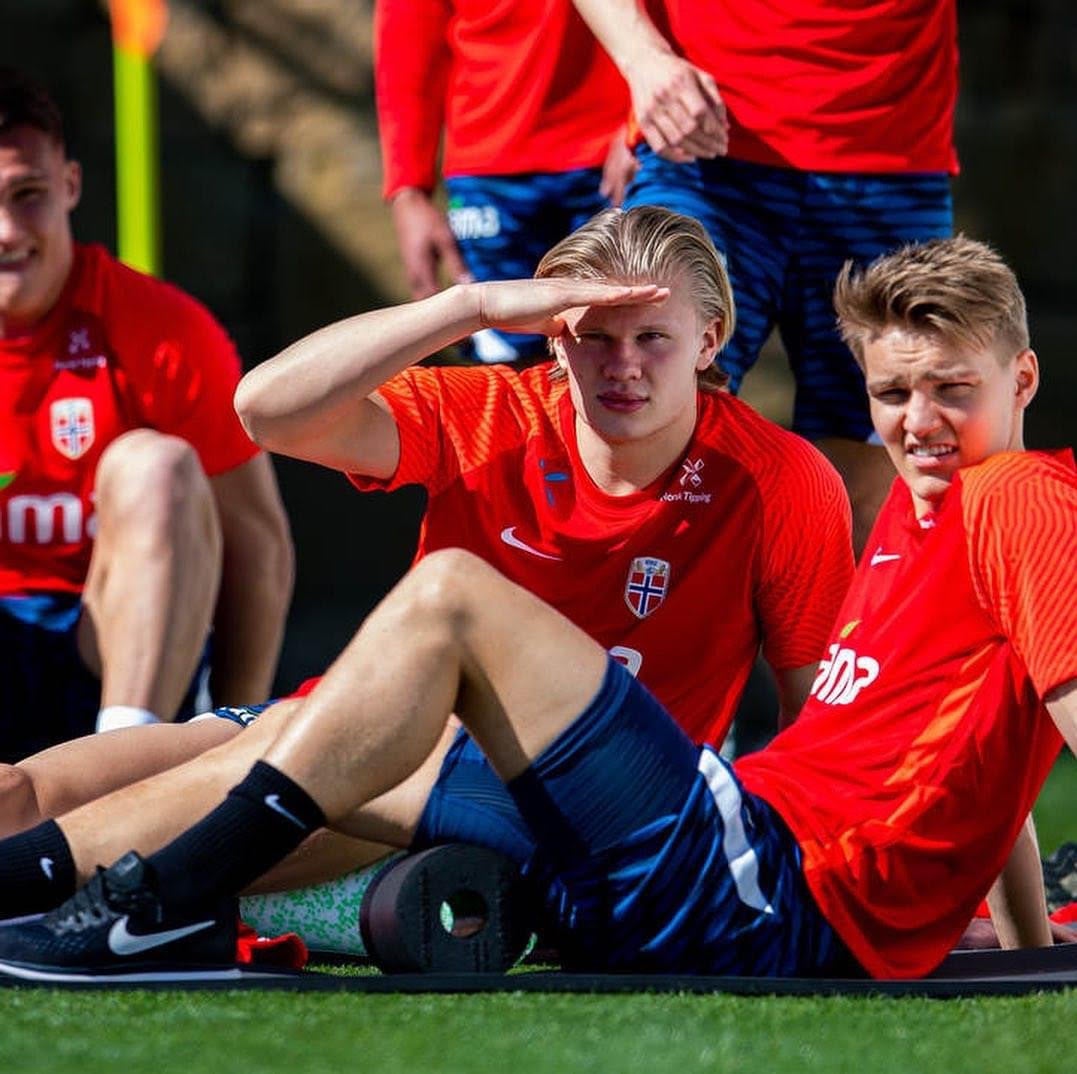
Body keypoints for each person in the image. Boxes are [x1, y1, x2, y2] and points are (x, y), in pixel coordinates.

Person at [0, 234, 1069, 983]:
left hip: (723, 863)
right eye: (892, 394)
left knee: (455, 597)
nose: (919, 423)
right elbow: (970, 747)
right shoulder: (923, 516)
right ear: (554, 340)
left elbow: (1027, 716)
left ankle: (162, 905)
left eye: (951, 391)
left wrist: (1002, 946)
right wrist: (468, 307)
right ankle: (102, 895)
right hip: (611, 816)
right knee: (30, 789)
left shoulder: (975, 493)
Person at [572, 0, 959, 555]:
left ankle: (829, 643)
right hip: (703, 144)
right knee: (643, 401)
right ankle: (626, 638)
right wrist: (641, 61)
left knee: (877, 455)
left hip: (890, 151)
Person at [0, 68, 294, 759]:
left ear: (70, 185)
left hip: (108, 652)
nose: (7, 230)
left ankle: (131, 775)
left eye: (29, 195)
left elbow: (260, 548)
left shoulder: (162, 330)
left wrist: (233, 740)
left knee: (155, 465)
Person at [377, 0, 633, 363]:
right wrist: (408, 190)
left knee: (628, 358)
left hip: (616, 160)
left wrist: (646, 117)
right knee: (502, 372)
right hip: (487, 172)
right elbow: (408, 34)